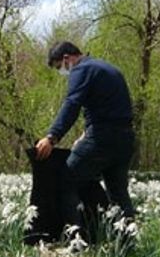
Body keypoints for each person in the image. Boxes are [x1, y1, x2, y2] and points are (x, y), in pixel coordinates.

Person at [34, 41, 136, 219]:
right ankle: (126, 242)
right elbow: (106, 107)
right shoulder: (107, 68)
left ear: (67, 58)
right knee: (118, 192)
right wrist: (85, 133)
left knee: (66, 177)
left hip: (102, 138)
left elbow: (72, 103)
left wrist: (52, 137)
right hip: (125, 138)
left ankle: (78, 235)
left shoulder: (81, 69)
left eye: (60, 67)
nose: (62, 72)